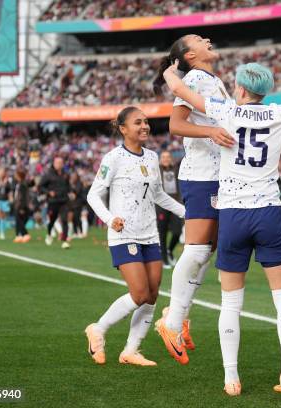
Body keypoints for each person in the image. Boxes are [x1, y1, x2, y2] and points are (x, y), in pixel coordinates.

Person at [163, 59, 281, 396]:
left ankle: (231, 378)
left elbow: (182, 92)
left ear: (240, 89)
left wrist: (171, 70)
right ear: (265, 91)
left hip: (233, 214)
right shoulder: (280, 114)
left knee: (231, 303)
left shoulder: (225, 109)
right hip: (269, 211)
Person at [152, 34, 234, 365]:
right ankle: (170, 322)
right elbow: (176, 124)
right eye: (201, 39)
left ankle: (180, 316)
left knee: (206, 251)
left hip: (216, 175)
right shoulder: (197, 78)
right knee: (198, 249)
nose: (210, 39)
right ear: (190, 54)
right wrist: (211, 132)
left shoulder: (210, 78)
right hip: (202, 175)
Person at [85, 106, 185, 367]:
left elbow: (159, 195)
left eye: (146, 122)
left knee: (152, 295)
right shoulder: (113, 158)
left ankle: (131, 350)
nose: (145, 126)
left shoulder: (152, 157)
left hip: (150, 233)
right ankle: (98, 329)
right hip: (124, 234)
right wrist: (110, 219)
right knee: (139, 292)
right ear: (123, 128)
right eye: (138, 122)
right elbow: (93, 194)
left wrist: (185, 212)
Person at [156, 150, 183, 269]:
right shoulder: (156, 171)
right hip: (161, 206)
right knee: (162, 233)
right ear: (160, 159)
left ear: (171, 159)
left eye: (168, 157)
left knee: (177, 232)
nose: (166, 159)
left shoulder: (177, 169)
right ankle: (164, 259)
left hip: (175, 205)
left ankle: (169, 250)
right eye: (163, 157)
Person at [40, 156, 71, 249]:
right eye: (57, 162)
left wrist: (71, 192)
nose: (59, 164)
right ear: (54, 163)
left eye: (61, 163)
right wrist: (48, 192)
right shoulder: (48, 174)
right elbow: (41, 186)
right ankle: (49, 234)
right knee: (52, 220)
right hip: (53, 201)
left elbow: (68, 186)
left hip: (64, 201)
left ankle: (65, 240)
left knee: (65, 220)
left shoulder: (66, 174)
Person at [13, 169, 31, 243]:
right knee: (18, 221)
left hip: (20, 205)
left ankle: (25, 234)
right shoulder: (19, 184)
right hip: (18, 205)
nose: (15, 176)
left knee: (20, 220)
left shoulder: (22, 185)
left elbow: (23, 197)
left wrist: (22, 207)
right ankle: (18, 235)